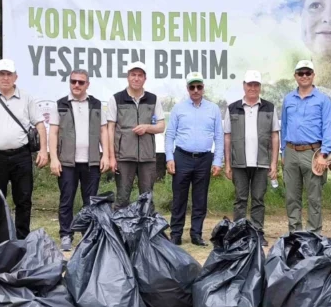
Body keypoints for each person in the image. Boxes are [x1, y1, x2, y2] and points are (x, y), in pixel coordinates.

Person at [0, 59, 49, 239]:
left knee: (23, 199)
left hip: (21, 156)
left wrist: (43, 150)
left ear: (16, 77)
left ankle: (22, 238)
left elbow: (39, 124)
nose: (5, 78)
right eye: (2, 74)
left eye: (9, 74)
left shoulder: (27, 98)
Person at [49, 69, 110, 252]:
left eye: (80, 82)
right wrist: (53, 158)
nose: (76, 85)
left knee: (90, 201)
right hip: (67, 162)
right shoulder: (60, 104)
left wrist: (105, 155)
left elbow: (103, 131)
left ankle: (88, 235)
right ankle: (66, 235)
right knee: (66, 200)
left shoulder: (97, 104)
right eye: (73, 81)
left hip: (91, 162)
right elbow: (53, 132)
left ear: (87, 85)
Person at [165, 72, 223, 246]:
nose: (196, 90)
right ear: (188, 89)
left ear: (203, 88)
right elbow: (169, 135)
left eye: (199, 86)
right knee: (179, 198)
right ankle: (176, 234)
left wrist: (217, 160)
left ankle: (196, 234)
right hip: (182, 156)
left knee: (200, 199)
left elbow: (218, 137)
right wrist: (169, 158)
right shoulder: (178, 108)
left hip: (204, 159)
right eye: (192, 87)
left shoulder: (213, 109)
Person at [224, 70, 280, 246]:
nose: (253, 88)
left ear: (260, 87)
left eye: (256, 85)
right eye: (250, 85)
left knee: (258, 199)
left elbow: (274, 136)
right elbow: (227, 137)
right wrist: (227, 164)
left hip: (261, 162)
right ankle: (239, 234)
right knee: (240, 199)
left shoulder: (269, 108)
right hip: (239, 163)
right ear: (244, 85)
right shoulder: (232, 108)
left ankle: (257, 232)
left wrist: (273, 163)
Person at [281, 60, 331, 233]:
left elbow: (328, 128)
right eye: (300, 73)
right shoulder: (288, 99)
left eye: (308, 73)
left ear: (313, 75)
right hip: (290, 152)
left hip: (313, 153)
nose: (304, 76)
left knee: (314, 197)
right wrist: (283, 151)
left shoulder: (323, 100)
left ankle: (313, 234)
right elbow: (284, 127)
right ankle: (294, 233)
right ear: (295, 76)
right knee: (291, 197)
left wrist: (324, 154)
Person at [106, 61, 165, 208]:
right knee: (122, 199)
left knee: (147, 199)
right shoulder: (116, 99)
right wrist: (112, 157)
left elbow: (161, 126)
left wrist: (147, 128)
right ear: (128, 77)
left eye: (140, 75)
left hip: (147, 158)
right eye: (133, 75)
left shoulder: (153, 99)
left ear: (145, 78)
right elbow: (110, 128)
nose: (136, 78)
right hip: (123, 157)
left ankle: (146, 230)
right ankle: (120, 230)